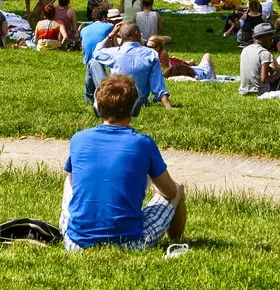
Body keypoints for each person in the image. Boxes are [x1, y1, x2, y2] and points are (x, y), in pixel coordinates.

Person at [62, 73, 187, 251]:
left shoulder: (78, 139)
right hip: (130, 243)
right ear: (135, 108)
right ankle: (177, 239)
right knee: (179, 188)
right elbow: (170, 191)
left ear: (97, 107)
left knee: (69, 179)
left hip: (75, 243)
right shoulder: (143, 143)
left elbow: (76, 180)